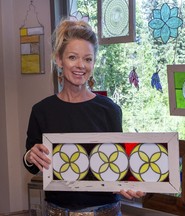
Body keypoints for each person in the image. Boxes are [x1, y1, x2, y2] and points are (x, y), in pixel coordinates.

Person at [23, 19, 145, 215]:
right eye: (73, 57)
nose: (81, 65)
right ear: (59, 60)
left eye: (88, 59)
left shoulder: (110, 110)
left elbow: (118, 162)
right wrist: (30, 155)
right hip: (56, 211)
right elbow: (31, 163)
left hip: (107, 211)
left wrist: (128, 181)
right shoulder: (41, 110)